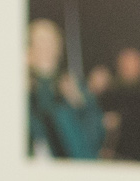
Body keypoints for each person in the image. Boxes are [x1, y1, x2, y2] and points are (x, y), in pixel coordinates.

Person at [25, 17, 103, 159]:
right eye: (39, 41)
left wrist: (80, 104)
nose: (45, 46)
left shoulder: (72, 85)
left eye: (50, 40)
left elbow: (97, 133)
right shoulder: (23, 88)